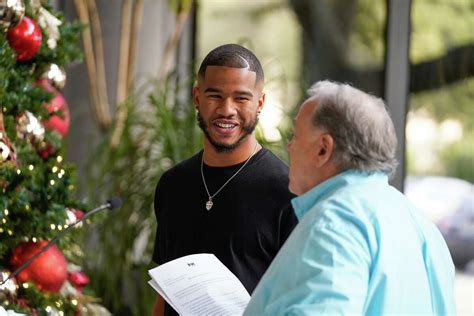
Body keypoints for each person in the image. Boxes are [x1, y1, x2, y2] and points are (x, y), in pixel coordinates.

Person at [244, 80, 456, 315]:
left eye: (296, 136)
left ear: (323, 149)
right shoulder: (422, 225)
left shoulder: (333, 223)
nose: (290, 146)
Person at [151, 44, 298, 316]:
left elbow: (298, 299)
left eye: (241, 98)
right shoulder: (172, 185)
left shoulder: (288, 190)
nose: (227, 109)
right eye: (214, 95)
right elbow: (164, 296)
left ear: (260, 103)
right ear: (197, 98)